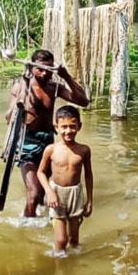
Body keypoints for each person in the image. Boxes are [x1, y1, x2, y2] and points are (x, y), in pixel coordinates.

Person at [6, 49, 89, 217]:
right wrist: (18, 108)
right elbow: (8, 118)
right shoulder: (21, 86)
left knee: (44, 192)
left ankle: (43, 219)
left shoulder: (54, 88)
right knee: (35, 192)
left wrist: (66, 76)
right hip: (26, 145)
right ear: (32, 68)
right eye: (40, 69)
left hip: (48, 144)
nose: (45, 73)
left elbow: (83, 101)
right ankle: (27, 227)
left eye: (49, 69)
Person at [36, 105, 93, 256]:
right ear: (56, 126)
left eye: (72, 126)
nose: (68, 131)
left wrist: (90, 201)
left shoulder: (84, 150)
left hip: (75, 194)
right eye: (64, 127)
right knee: (61, 240)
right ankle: (59, 270)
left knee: (74, 240)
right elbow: (40, 172)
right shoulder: (51, 149)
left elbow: (88, 175)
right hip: (56, 194)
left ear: (79, 126)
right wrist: (49, 192)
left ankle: (73, 270)